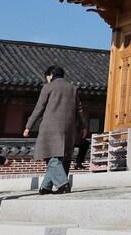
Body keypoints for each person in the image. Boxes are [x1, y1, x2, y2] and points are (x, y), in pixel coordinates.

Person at [23, 66, 87, 195]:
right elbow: (79, 109)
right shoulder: (73, 88)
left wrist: (28, 126)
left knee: (51, 157)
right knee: (63, 157)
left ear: (51, 75)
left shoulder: (48, 87)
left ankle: (63, 184)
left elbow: (39, 108)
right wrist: (84, 126)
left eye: (47, 76)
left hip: (50, 127)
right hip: (69, 127)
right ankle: (46, 187)